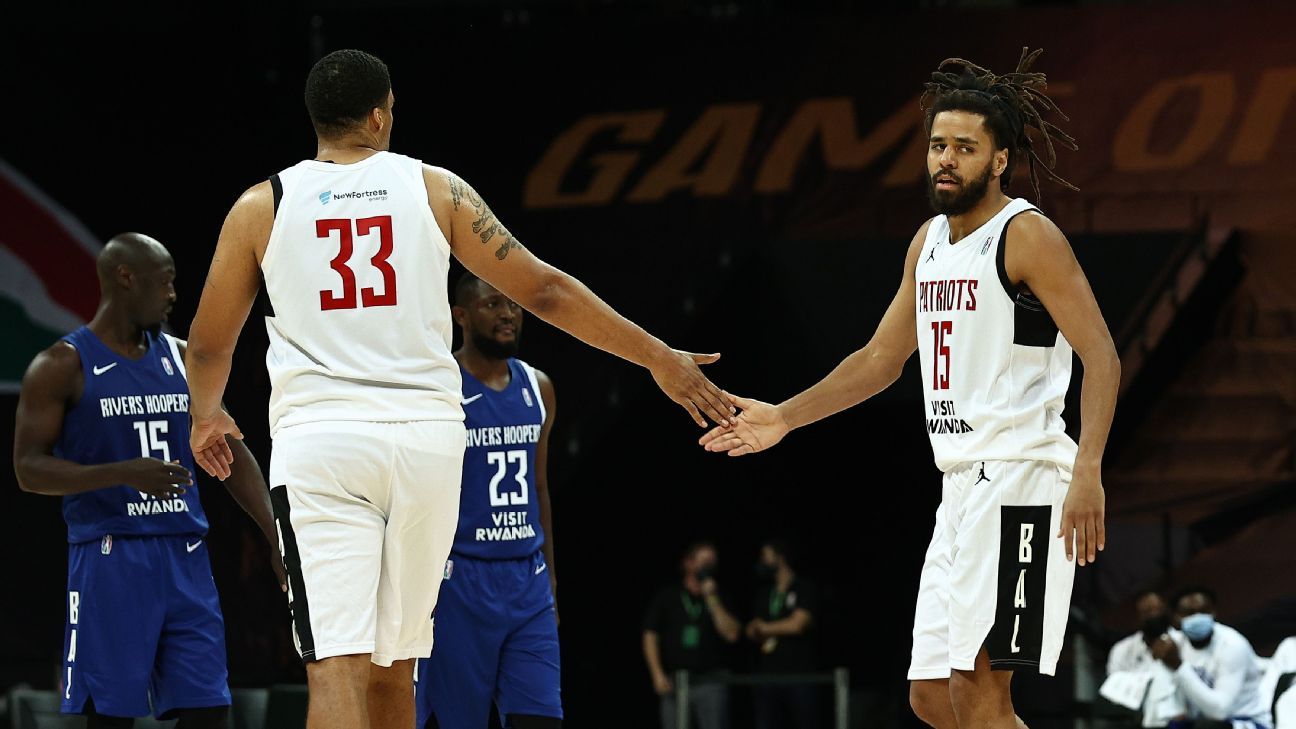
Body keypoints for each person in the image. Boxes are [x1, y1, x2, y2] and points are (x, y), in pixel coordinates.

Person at [181, 49, 734, 729]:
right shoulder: (436, 188)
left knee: (335, 667)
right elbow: (546, 290)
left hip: (323, 448)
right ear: (382, 114)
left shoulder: (261, 206)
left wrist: (206, 415)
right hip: (427, 448)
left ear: (315, 120)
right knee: (396, 667)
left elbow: (209, 344)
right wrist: (657, 356)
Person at [700, 48, 1120, 729]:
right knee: (931, 695)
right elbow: (878, 360)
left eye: (964, 147)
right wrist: (783, 416)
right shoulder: (928, 243)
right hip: (959, 484)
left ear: (1000, 159)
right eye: (936, 146)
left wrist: (1089, 469)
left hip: (1021, 477)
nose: (946, 159)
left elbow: (1102, 356)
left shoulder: (1026, 235)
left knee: (981, 693)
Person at [12, 233, 283, 729]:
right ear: (125, 278)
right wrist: (122, 474)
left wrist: (274, 535)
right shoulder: (63, 365)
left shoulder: (182, 358)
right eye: (165, 282)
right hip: (111, 556)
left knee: (210, 710)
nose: (173, 293)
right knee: (111, 716)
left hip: (185, 556)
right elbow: (28, 469)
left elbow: (232, 451)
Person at [413, 273, 561, 729]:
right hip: (460, 578)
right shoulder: (439, 388)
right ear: (460, 315)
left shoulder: (539, 387)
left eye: (513, 305)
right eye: (492, 305)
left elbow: (540, 486)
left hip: (527, 576)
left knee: (539, 719)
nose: (507, 315)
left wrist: (550, 575)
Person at [643, 542, 742, 729]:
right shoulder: (668, 596)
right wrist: (656, 673)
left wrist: (712, 599)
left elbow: (732, 635)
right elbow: (650, 635)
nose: (709, 566)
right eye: (704, 561)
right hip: (676, 683)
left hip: (711, 682)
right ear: (689, 563)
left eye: (713, 562)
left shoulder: (721, 596)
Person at [1150, 586, 1269, 728]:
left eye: (1204, 611)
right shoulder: (1174, 645)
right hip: (1200, 720)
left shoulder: (1232, 645)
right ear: (1175, 617)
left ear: (1213, 612)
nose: (1197, 618)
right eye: (1189, 613)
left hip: (1245, 721)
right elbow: (1163, 702)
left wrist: (1179, 667)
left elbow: (1219, 712)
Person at [747, 540, 821, 729]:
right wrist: (757, 629)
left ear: (780, 558)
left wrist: (764, 628)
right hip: (768, 676)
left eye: (766, 556)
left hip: (799, 677)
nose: (762, 561)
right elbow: (751, 628)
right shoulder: (765, 593)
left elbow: (797, 625)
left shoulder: (804, 587)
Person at [1108, 591, 1171, 676]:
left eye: (1157, 610)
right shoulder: (1121, 649)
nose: (1153, 616)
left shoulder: (1183, 641)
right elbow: (1114, 685)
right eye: (1147, 612)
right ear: (1137, 617)